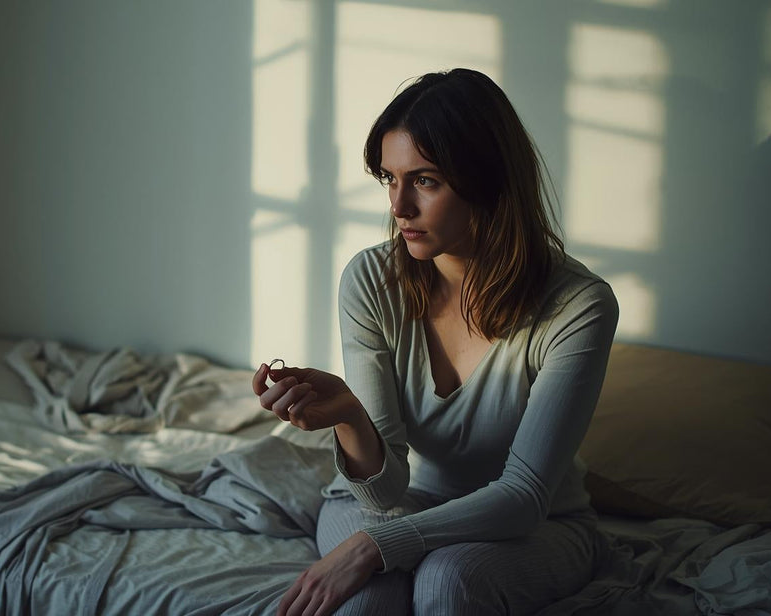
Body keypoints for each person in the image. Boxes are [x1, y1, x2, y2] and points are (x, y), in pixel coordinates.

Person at [251, 68, 619, 615]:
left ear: (489, 179)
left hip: (537, 523)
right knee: (362, 602)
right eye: (389, 179)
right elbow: (384, 492)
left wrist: (376, 545)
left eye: (425, 180)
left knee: (449, 581)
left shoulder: (577, 306)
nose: (398, 207)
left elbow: (523, 498)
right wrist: (351, 415)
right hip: (392, 503)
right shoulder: (371, 281)